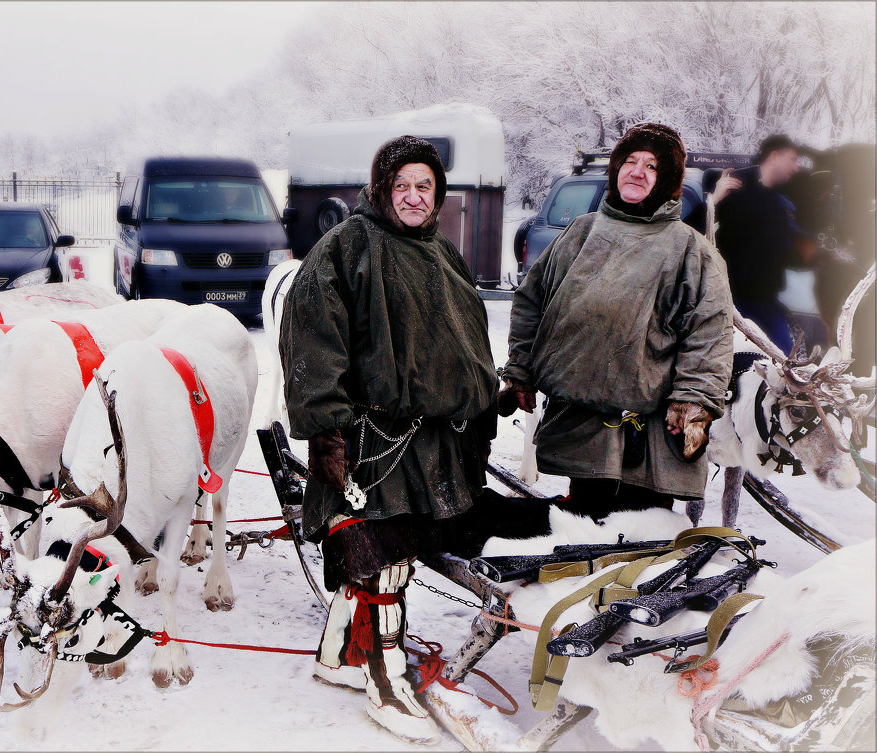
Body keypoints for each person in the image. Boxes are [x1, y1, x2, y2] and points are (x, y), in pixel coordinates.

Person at [279, 136, 498, 744]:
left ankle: (336, 658)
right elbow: (312, 342)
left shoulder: (443, 253)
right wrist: (325, 431)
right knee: (386, 564)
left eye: (423, 186)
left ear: (438, 195)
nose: (412, 196)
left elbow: (468, 337)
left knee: (388, 559)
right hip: (368, 441)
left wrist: (481, 398)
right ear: (380, 190)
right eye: (401, 186)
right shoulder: (346, 247)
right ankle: (385, 681)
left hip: (431, 443)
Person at [500, 123, 733, 522]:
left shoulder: (690, 249)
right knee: (580, 531)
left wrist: (694, 401)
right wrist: (520, 371)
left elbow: (709, 333)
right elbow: (531, 303)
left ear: (668, 182)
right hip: (580, 423)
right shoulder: (581, 233)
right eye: (630, 161)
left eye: (652, 166)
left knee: (638, 539)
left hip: (650, 435)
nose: (637, 172)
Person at [710, 134, 811, 354]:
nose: (795, 167)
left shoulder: (781, 203)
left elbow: (787, 250)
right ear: (774, 157)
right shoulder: (734, 190)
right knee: (739, 363)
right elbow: (694, 234)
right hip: (732, 301)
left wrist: (815, 254)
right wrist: (713, 201)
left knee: (785, 361)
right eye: (792, 159)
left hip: (766, 301)